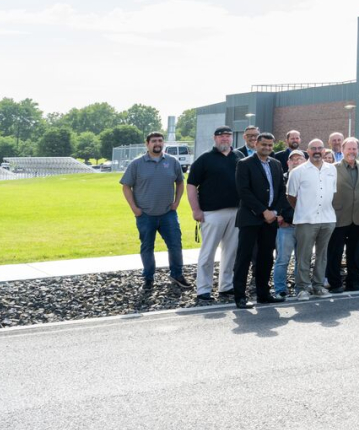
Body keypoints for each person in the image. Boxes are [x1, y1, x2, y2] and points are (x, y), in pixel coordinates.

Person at [120, 131, 190, 290]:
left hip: (168, 214)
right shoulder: (137, 163)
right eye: (154, 141)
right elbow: (126, 186)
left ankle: (177, 274)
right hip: (145, 215)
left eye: (160, 140)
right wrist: (135, 208)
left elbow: (180, 182)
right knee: (147, 247)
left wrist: (176, 202)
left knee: (175, 245)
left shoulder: (172, 162)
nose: (157, 143)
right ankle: (148, 278)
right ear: (147, 144)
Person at [186, 125, 240, 302]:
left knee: (231, 252)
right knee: (208, 252)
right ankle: (203, 289)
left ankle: (226, 286)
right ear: (214, 138)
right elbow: (191, 185)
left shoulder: (239, 157)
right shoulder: (205, 159)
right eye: (221, 136)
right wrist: (196, 210)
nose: (225, 139)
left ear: (232, 138)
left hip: (236, 211)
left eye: (228, 136)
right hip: (211, 213)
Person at [232, 133, 286, 308]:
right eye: (264, 145)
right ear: (256, 144)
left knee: (266, 257)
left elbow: (281, 191)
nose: (267, 148)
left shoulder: (276, 164)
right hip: (250, 218)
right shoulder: (244, 163)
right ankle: (240, 296)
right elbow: (243, 191)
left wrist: (274, 211)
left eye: (270, 145)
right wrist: (263, 211)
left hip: (270, 220)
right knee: (244, 257)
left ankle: (263, 294)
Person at [286, 136, 339, 300]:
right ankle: (302, 288)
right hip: (306, 220)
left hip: (327, 218)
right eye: (313, 148)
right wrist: (302, 209)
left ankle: (318, 286)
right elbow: (291, 196)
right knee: (304, 255)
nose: (317, 151)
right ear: (307, 151)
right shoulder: (297, 172)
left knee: (322, 255)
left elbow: (333, 193)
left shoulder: (332, 169)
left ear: (324, 150)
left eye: (320, 148)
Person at [327, 137, 359, 292]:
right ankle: (335, 283)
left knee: (357, 253)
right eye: (349, 148)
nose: (352, 151)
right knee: (335, 252)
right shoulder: (332, 168)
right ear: (342, 150)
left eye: (354, 149)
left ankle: (354, 282)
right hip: (338, 216)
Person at [273, 150, 305, 299]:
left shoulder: (310, 179)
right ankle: (280, 290)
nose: (297, 161)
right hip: (286, 226)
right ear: (288, 163)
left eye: (300, 159)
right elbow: (275, 199)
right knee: (282, 260)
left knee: (302, 260)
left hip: (304, 226)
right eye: (293, 159)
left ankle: (300, 289)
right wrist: (278, 216)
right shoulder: (281, 179)